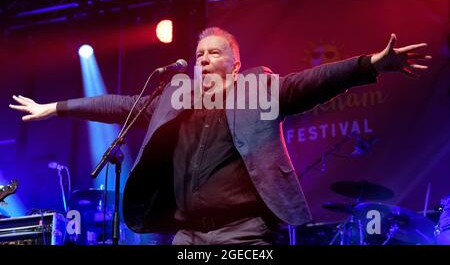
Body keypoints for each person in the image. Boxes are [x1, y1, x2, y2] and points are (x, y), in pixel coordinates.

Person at [9, 27, 431, 245]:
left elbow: (312, 82)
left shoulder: (260, 90)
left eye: (214, 52)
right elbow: (120, 104)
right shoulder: (175, 98)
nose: (204, 59)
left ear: (234, 61)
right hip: (187, 234)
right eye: (199, 54)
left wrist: (371, 64)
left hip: (244, 234)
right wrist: (56, 107)